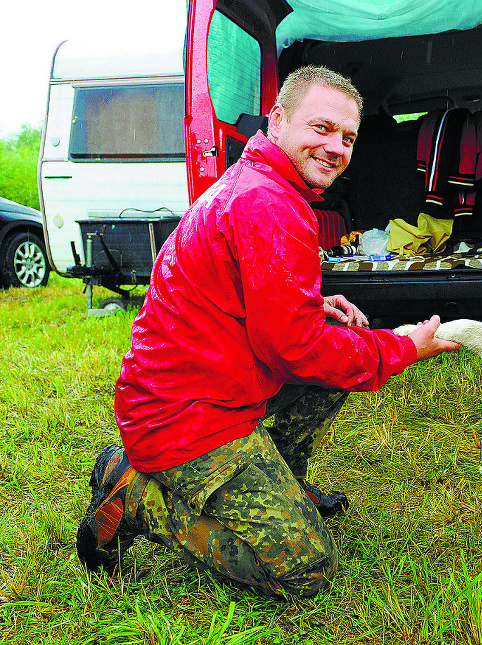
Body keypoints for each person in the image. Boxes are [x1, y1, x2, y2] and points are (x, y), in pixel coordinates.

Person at [75, 66, 459, 597]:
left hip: (212, 386)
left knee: (333, 365)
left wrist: (312, 303)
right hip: (186, 417)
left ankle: (284, 486)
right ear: (278, 119)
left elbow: (248, 298)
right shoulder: (269, 203)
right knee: (306, 570)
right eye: (321, 128)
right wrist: (402, 346)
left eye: (347, 137)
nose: (335, 147)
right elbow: (296, 350)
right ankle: (135, 493)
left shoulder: (262, 184)